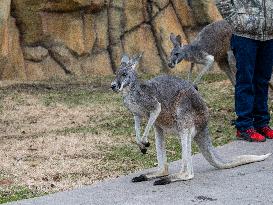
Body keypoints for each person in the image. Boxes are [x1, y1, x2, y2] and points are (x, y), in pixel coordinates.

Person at [216, 0, 273, 142]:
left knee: (262, 80)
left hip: (269, 35)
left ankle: (261, 123)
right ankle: (244, 126)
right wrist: (237, 22)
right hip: (244, 35)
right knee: (245, 81)